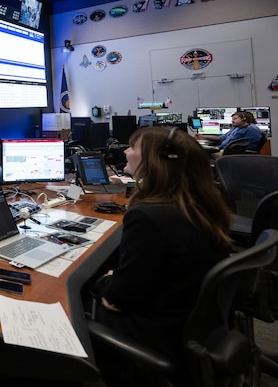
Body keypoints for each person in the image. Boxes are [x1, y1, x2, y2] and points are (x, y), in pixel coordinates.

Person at [91, 126, 233, 386]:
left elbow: (119, 297)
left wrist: (106, 280)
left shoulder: (148, 216)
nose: (125, 151)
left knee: (77, 293)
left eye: (133, 147)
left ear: (153, 161)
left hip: (160, 332)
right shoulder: (199, 202)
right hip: (191, 321)